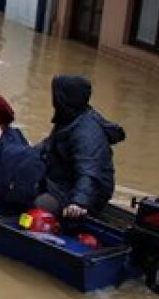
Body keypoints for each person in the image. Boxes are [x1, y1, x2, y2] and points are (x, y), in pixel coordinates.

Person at [31, 75, 123, 221]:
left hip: (83, 193)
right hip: (62, 181)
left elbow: (89, 170)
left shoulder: (87, 132)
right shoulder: (69, 118)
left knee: (41, 205)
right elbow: (47, 147)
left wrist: (79, 201)